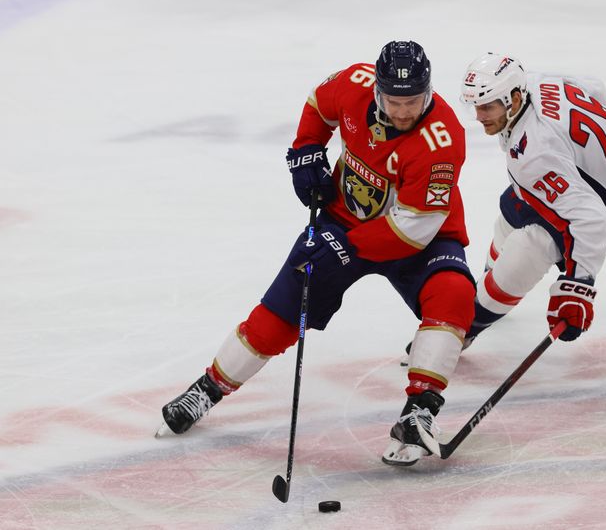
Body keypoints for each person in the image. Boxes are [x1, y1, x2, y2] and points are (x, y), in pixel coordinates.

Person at [157, 41, 475, 467]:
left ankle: (420, 410)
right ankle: (208, 388)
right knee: (284, 307)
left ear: (429, 92)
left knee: (453, 293)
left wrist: (345, 247)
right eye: (395, 101)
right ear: (378, 90)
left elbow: (413, 230)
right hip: (344, 220)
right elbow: (320, 104)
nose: (403, 112)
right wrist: (306, 149)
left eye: (413, 101)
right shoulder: (354, 82)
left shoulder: (442, 140)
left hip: (420, 235)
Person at [459, 53, 606, 345]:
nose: (479, 117)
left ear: (514, 99)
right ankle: (487, 291)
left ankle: (468, 325)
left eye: (488, 107)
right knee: (515, 207)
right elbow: (594, 88)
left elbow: (592, 219)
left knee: (528, 248)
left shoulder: (535, 155)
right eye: (476, 106)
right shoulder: (538, 81)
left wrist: (577, 287)